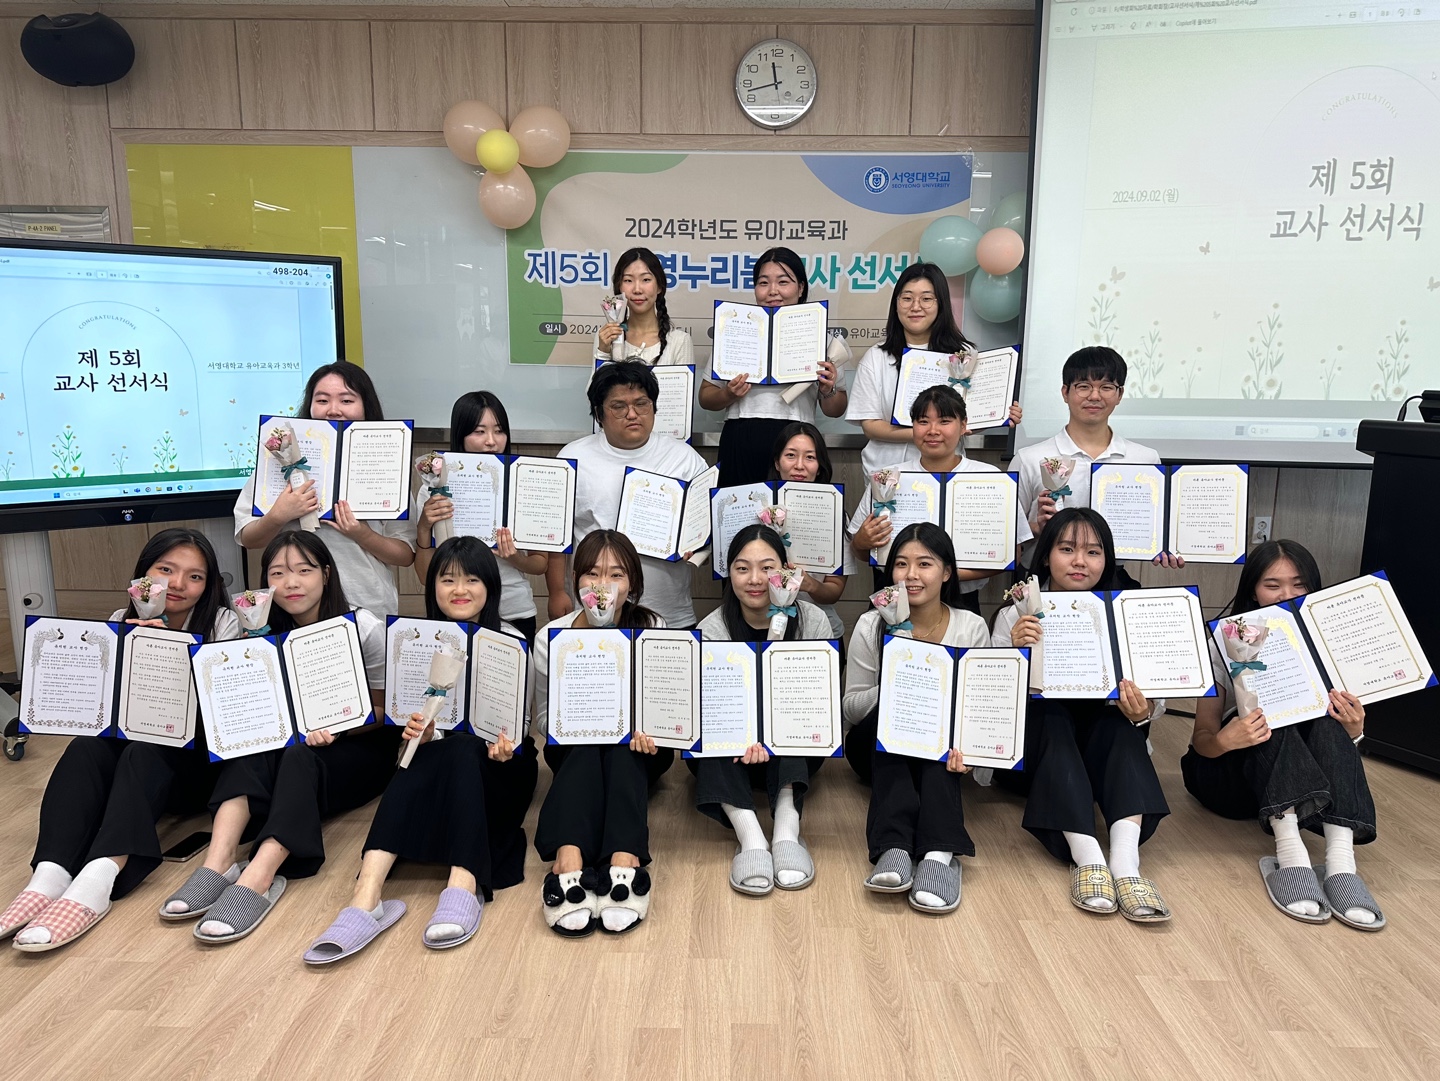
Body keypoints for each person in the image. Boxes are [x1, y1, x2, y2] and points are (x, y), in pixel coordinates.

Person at [301, 537, 541, 961]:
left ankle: (463, 883)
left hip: (500, 767)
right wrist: (418, 733)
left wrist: (505, 747)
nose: (459, 589)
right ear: (433, 587)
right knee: (423, 755)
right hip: (439, 760)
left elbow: (520, 725)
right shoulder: (414, 641)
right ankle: (365, 896)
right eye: (447, 579)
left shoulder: (511, 641)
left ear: (490, 586)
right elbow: (407, 727)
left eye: (471, 579)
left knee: (464, 748)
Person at [3, 530, 240, 952]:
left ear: (208, 585)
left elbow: (223, 711)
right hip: (136, 765)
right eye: (165, 570)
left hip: (194, 768)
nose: (178, 584)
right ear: (142, 575)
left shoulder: (223, 623)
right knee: (87, 746)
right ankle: (49, 874)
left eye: (195, 576)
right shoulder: (118, 619)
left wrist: (165, 650)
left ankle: (100, 876)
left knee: (143, 750)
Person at [188, 530, 396, 944]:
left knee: (299, 755)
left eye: (304, 570)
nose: (291, 583)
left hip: (360, 746)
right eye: (278, 573)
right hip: (289, 746)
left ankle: (260, 874)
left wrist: (338, 726)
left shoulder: (362, 626)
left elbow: (386, 709)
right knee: (253, 748)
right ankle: (218, 861)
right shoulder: (258, 630)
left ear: (326, 574)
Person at [1180, 540, 1381, 929]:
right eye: (1272, 585)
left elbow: (1332, 739)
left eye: (1298, 584)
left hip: (1303, 786)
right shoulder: (1222, 640)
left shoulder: (1328, 641)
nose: (1286, 594)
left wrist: (1354, 732)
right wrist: (1226, 739)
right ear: (1253, 590)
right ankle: (1291, 856)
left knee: (1326, 719)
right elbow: (1202, 739)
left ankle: (1341, 865)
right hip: (1228, 775)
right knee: (1270, 713)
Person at [992, 508, 1172, 922]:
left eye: (1093, 552)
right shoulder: (1015, 614)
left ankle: (1125, 864)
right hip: (1036, 756)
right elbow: (992, 704)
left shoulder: (1122, 614)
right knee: (1051, 717)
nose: (1080, 562)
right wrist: (1014, 655)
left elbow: (1153, 701)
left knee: (1120, 725)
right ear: (1045, 556)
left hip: (1099, 756)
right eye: (1067, 549)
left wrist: (1143, 711)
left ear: (1107, 559)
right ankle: (1088, 857)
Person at [842, 523, 989, 914]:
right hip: (874, 747)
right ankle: (893, 845)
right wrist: (898, 683)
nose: (911, 575)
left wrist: (973, 752)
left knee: (940, 722)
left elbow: (977, 711)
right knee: (899, 713)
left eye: (925, 564)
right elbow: (851, 708)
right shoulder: (871, 623)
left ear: (947, 572)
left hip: (944, 753)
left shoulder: (971, 627)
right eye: (901, 564)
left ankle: (939, 854)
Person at [533, 531, 669, 937]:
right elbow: (543, 718)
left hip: (641, 748)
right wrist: (571, 722)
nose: (602, 585)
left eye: (616, 575)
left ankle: (624, 858)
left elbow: (663, 706)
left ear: (632, 583)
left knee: (622, 748)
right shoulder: (551, 638)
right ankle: (569, 857)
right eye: (592, 573)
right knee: (585, 745)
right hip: (574, 749)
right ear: (576, 580)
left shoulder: (653, 627)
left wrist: (649, 729)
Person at [692, 525, 832, 895]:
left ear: (785, 571)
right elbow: (711, 712)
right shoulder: (711, 628)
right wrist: (742, 736)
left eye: (767, 568)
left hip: (793, 751)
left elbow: (819, 705)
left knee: (795, 721)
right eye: (742, 568)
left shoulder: (813, 621)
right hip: (733, 752)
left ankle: (787, 826)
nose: (755, 579)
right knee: (707, 739)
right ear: (729, 573)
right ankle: (750, 834)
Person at [234, 360, 416, 619]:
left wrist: (362, 534)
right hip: (294, 605)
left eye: (346, 400)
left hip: (366, 604)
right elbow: (248, 538)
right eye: (322, 400)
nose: (333, 410)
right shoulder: (278, 457)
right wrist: (278, 515)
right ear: (309, 405)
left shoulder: (387, 460)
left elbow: (405, 554)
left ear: (366, 406)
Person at [548, 361, 709, 628]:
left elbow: (706, 529)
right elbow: (556, 536)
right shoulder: (573, 458)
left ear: (654, 407)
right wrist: (556, 591)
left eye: (641, 404)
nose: (632, 414)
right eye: (619, 406)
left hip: (670, 611)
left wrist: (699, 547)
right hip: (596, 610)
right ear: (599, 414)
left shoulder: (685, 459)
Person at [849, 385, 1031, 610]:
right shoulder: (887, 478)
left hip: (961, 600)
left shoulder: (991, 478)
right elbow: (859, 549)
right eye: (923, 421)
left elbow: (1013, 554)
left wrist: (940, 577)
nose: (933, 430)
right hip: (896, 600)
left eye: (944, 421)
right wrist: (861, 542)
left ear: (963, 425)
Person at [847, 262, 1021, 478]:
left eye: (926, 299)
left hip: (947, 471)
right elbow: (871, 426)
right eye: (907, 298)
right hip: (888, 474)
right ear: (896, 304)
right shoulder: (876, 357)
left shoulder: (964, 355)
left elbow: (970, 420)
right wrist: (928, 434)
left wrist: (1000, 414)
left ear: (941, 304)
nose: (916, 306)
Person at [1011, 347, 1179, 569]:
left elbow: (1155, 528)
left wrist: (1169, 546)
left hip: (1114, 577)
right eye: (1083, 386)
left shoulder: (1145, 459)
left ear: (1120, 394)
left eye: (1106, 387)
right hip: (1046, 578)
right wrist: (1038, 528)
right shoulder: (1029, 459)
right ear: (1065, 392)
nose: (1094, 396)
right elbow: (1005, 534)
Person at [699, 247, 851, 487]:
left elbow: (836, 409)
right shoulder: (735, 331)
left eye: (783, 282)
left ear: (800, 288)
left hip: (796, 441)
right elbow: (706, 397)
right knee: (739, 508)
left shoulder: (820, 336)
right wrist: (728, 393)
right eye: (763, 283)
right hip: (741, 438)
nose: (772, 291)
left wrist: (828, 389)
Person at [414, 391, 544, 642]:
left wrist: (515, 557)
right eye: (479, 431)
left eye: (499, 431)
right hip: (454, 612)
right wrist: (423, 528)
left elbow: (540, 565)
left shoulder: (523, 485)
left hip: (513, 610)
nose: (491, 441)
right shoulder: (434, 489)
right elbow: (424, 576)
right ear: (460, 435)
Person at [766, 422, 850, 638]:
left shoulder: (834, 513)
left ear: (819, 466)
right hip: (761, 628)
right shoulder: (758, 509)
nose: (799, 466)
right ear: (777, 462)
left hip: (820, 630)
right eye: (790, 455)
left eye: (810, 457)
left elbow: (834, 591)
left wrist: (810, 584)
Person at [592, 247, 694, 367]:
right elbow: (597, 380)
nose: (637, 289)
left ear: (659, 287)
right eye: (628, 280)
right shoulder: (608, 335)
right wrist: (603, 351)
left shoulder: (680, 341)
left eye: (646, 279)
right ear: (619, 287)